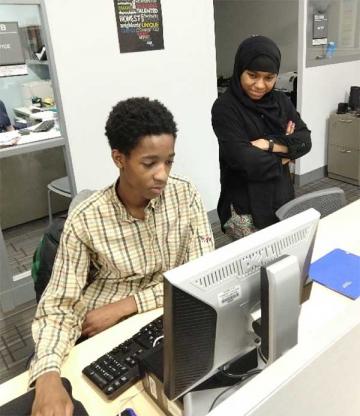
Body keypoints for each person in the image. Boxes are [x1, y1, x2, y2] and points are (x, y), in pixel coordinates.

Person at [29, 97, 214, 416]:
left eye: (169, 161)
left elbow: (200, 274)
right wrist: (46, 376)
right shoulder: (87, 219)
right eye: (149, 163)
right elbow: (58, 306)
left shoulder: (185, 196)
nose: (163, 175)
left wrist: (130, 304)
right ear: (119, 158)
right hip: (104, 335)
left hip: (162, 318)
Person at [211, 35, 311, 239]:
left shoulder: (281, 101)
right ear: (240, 70)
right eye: (252, 75)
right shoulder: (225, 108)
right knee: (255, 266)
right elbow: (244, 159)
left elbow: (305, 141)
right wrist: (288, 153)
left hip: (281, 197)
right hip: (243, 206)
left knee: (286, 260)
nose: (259, 85)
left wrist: (270, 144)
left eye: (268, 78)